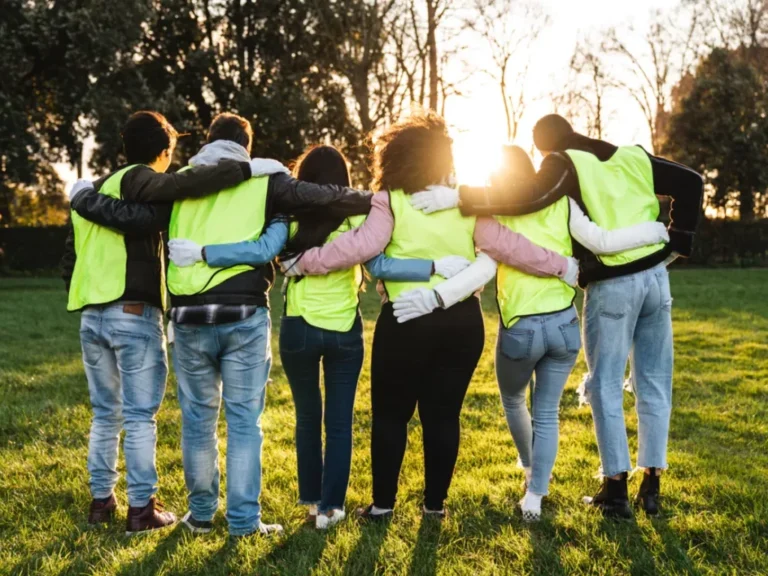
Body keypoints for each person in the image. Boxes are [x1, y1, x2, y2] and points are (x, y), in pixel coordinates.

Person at [281, 112, 578, 521]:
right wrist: (561, 265)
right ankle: (434, 506)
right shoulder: (467, 205)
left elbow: (356, 247)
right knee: (443, 416)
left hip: (404, 324)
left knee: (390, 415)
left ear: (397, 157)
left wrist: (303, 262)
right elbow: (509, 245)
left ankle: (383, 505)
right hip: (461, 325)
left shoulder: (390, 202)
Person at [409, 114, 704, 517]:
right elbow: (691, 183)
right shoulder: (632, 157)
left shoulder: (563, 162)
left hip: (614, 283)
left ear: (545, 148)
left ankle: (616, 489)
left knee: (604, 386)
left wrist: (459, 196)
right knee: (654, 382)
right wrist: (677, 240)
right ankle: (652, 485)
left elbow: (529, 195)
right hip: (655, 279)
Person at [176, 144, 468, 530]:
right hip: (344, 331)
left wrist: (203, 251)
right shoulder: (358, 219)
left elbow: (263, 251)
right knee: (339, 423)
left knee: (307, 419)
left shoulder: (290, 219)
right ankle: (332, 508)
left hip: (299, 329)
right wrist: (431, 265)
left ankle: (312, 504)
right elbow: (379, 262)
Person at [60, 110, 273, 535]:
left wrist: (83, 199)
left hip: (91, 315)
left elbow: (72, 257)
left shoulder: (96, 187)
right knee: (139, 416)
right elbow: (178, 188)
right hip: (132, 313)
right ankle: (142, 509)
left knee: (105, 414)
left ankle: (101, 503)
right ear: (163, 153)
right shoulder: (140, 181)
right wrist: (245, 169)